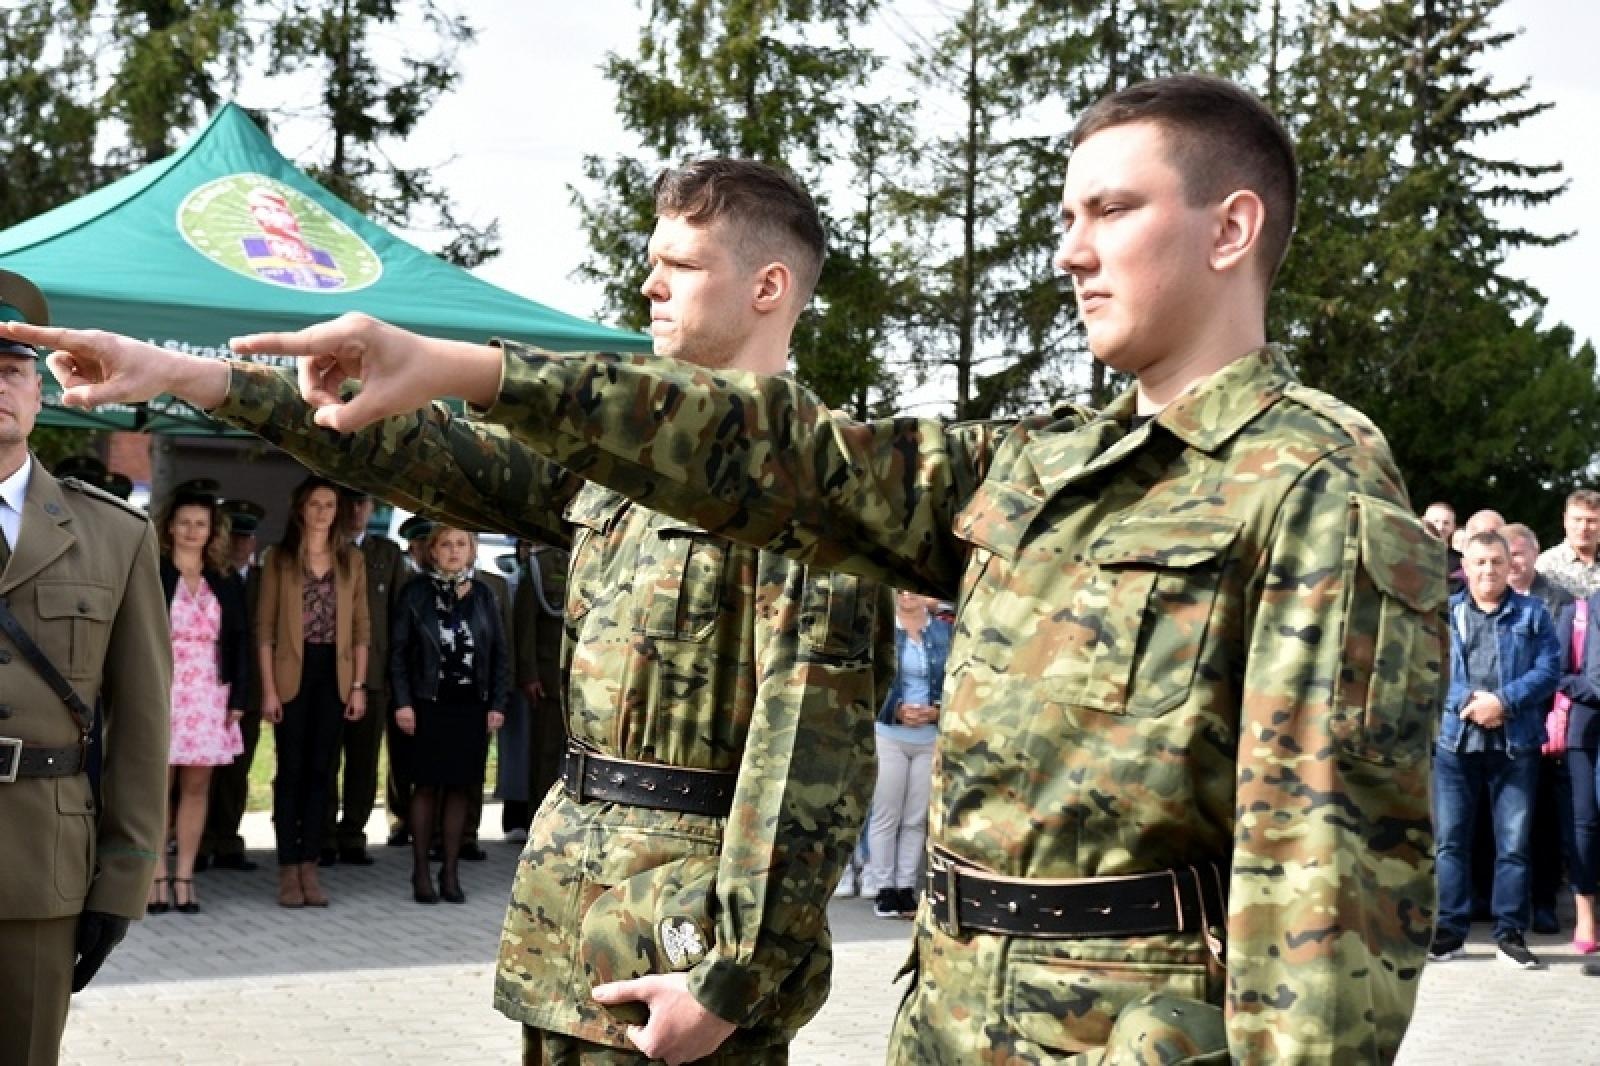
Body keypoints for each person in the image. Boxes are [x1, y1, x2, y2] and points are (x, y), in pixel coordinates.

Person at [88, 75, 1455, 1059]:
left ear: (1230, 228)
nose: (1072, 250)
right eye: (1066, 213)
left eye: (1112, 209)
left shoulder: (1313, 487)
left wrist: (740, 970)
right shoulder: (1037, 464)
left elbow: (1327, 890)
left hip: (1130, 1026)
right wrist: (452, 369)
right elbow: (781, 454)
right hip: (953, 1015)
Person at [19, 159, 893, 1064]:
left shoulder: (810, 492)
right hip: (572, 923)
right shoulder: (626, 467)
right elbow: (426, 450)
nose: (650, 285)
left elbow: (809, 772)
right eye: (651, 261)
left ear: (767, 286)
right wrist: (188, 375)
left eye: (682, 264)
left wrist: (732, 982)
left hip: (683, 950)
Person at [0, 270, 170, 1065]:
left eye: (12, 369)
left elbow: (142, 724)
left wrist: (125, 877)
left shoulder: (114, 536)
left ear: (40, 392)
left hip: (43, 865)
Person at [1429, 531, 1559, 969]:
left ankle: (1509, 934)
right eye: (1480, 562)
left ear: (1510, 566)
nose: (1489, 570)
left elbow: (1549, 668)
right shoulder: (1446, 614)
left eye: (1497, 562)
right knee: (1450, 842)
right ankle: (1450, 932)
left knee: (1514, 844)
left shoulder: (1533, 613)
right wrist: (1469, 702)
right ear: (1464, 567)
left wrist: (1504, 702)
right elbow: (1431, 668)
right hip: (1455, 743)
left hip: (1515, 744)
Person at [256, 474, 370, 908]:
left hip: (335, 676)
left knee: (323, 772)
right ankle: (287, 867)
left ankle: (310, 865)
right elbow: (264, 629)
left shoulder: (351, 559)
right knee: (291, 772)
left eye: (330, 505)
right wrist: (269, 690)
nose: (322, 512)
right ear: (301, 509)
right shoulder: (280, 558)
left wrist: (358, 686)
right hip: (290, 675)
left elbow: (362, 628)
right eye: (315, 504)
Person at [390, 524, 509, 903]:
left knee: (461, 787)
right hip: (427, 703)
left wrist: (497, 704)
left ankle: (452, 871)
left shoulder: (484, 595)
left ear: (472, 551)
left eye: (461, 544)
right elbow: (398, 652)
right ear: (433, 551)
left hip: (470, 704)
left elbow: (499, 654)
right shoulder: (415, 593)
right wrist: (403, 702)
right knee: (425, 786)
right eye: (446, 544)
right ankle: (421, 871)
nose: (454, 551)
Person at [153, 482, 249, 915]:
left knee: (196, 788)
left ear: (212, 531)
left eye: (201, 524)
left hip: (209, 694)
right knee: (158, 789)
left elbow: (241, 641)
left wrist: (239, 696)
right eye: (185, 523)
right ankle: (156, 874)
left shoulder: (223, 580)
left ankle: (185, 876)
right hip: (162, 692)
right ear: (170, 527)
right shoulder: (153, 574)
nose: (193, 531)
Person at [320, 487, 406, 867]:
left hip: (372, 675)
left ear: (372, 507)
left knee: (363, 761)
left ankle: (352, 833)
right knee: (324, 759)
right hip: (327, 672)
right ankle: (322, 834)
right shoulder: (322, 548)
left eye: (363, 503)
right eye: (350, 503)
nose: (356, 510)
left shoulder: (387, 554)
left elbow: (398, 618)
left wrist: (391, 675)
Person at [1507, 521, 1574, 935]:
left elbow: (1559, 663)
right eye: (1508, 554)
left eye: (1520, 553)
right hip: (1495, 721)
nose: (1514, 562)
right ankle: (1498, 905)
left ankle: (1544, 902)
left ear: (1536, 554)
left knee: (1543, 819)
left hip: (1544, 719)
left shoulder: (1560, 600)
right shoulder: (1481, 597)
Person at [866, 590, 948, 920]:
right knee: (886, 813)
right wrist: (896, 709)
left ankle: (905, 888)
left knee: (915, 818)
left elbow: (957, 678)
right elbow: (871, 680)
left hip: (929, 736)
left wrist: (938, 710)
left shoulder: (944, 632)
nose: (907, 595)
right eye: (899, 590)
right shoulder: (882, 631)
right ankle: (884, 889)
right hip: (889, 734)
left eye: (912, 589)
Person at [200, 497, 267, 872]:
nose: (241, 544)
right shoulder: (212, 577)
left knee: (238, 771)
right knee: (203, 770)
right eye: (235, 536)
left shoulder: (263, 579)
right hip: (210, 687)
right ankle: (201, 841)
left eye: (247, 537)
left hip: (251, 689)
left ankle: (228, 838)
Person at [1554, 584, 1600, 954]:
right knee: (1584, 824)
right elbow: (1556, 670)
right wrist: (1587, 688)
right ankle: (1585, 914)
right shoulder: (1581, 610)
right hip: (1584, 729)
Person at [1538, 488, 1600, 599]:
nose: (1583, 527)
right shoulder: (1546, 565)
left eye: (1591, 521)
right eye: (1577, 520)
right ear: (1565, 520)